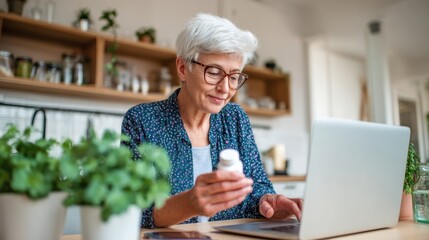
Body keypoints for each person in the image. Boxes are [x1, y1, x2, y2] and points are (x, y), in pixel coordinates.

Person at [121, 13, 303, 229]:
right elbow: (132, 210)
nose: (225, 89)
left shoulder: (234, 118)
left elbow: (257, 187)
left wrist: (269, 202)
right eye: (214, 72)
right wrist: (190, 203)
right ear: (182, 68)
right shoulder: (142, 120)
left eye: (234, 77)